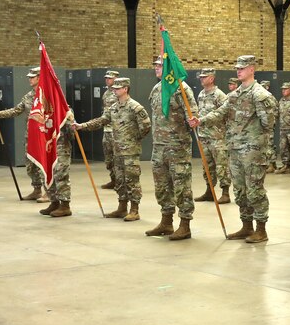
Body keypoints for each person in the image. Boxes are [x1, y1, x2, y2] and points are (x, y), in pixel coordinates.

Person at [188, 55, 277, 243]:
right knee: (240, 190)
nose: (239, 71)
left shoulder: (260, 95)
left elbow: (268, 123)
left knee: (255, 190)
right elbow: (221, 112)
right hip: (235, 149)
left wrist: (256, 141)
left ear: (252, 69)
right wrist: (200, 120)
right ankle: (246, 226)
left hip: (253, 151)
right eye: (237, 68)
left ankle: (261, 229)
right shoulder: (235, 94)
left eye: (242, 68)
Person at [73, 77, 150, 221]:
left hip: (130, 151)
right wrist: (82, 126)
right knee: (120, 180)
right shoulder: (114, 107)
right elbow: (101, 121)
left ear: (125, 89)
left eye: (117, 88)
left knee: (132, 180)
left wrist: (133, 139)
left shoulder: (135, 107)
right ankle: (122, 208)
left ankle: (134, 209)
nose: (114, 90)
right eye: (113, 88)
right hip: (117, 151)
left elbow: (146, 126)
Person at [146, 56, 197, 240]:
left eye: (160, 65)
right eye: (155, 66)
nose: (156, 68)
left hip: (178, 147)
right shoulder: (157, 89)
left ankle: (185, 224)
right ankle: (166, 222)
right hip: (159, 146)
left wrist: (193, 121)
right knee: (161, 186)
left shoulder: (182, 89)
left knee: (181, 187)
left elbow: (193, 115)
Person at [0, 68, 46, 203]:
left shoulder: (48, 95)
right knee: (31, 164)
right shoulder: (28, 96)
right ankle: (37, 190)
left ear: (40, 77)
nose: (29, 79)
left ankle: (49, 192)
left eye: (32, 77)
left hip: (44, 136)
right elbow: (17, 110)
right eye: (29, 77)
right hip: (31, 135)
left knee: (45, 164)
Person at [195, 68, 231, 204]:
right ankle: (209, 191)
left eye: (204, 77)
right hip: (204, 136)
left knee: (221, 165)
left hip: (217, 137)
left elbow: (225, 114)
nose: (201, 79)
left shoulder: (219, 95)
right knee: (207, 166)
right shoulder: (201, 94)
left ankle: (225, 193)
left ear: (212, 78)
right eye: (201, 77)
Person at [99, 70, 120, 190]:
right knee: (108, 157)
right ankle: (113, 179)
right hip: (107, 129)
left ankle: (120, 181)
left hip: (116, 129)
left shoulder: (119, 93)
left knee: (117, 156)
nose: (107, 80)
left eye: (110, 78)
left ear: (116, 79)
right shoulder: (106, 93)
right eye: (106, 78)